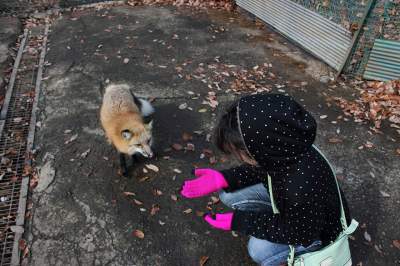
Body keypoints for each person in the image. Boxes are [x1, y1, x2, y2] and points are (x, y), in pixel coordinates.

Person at [181, 94, 350, 265]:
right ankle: (276, 218)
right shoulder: (287, 146)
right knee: (228, 194)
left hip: (315, 232)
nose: (238, 158)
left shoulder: (299, 187)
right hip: (296, 208)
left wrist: (242, 221)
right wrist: (225, 178)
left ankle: (306, 251)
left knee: (259, 250)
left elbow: (298, 233)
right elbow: (260, 170)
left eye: (240, 153)